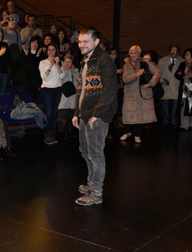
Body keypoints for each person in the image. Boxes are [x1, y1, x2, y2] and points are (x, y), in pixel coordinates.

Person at [72, 27, 118, 206]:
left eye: (85, 42)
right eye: (80, 41)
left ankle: (96, 193)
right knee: (85, 151)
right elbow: (80, 90)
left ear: (96, 42)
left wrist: (97, 114)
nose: (81, 45)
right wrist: (77, 112)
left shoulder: (104, 60)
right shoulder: (85, 60)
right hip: (84, 115)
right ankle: (91, 183)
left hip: (96, 117)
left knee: (96, 155)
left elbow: (111, 90)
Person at [120, 45, 160, 143]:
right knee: (128, 113)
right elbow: (125, 79)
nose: (134, 55)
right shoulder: (126, 65)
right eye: (132, 53)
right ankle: (127, 131)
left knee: (140, 114)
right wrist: (136, 75)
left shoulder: (145, 63)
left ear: (139, 53)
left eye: (136, 53)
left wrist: (150, 83)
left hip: (143, 92)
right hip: (130, 92)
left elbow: (157, 73)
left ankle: (137, 135)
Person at [39, 42, 64, 145]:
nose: (51, 51)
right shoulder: (43, 62)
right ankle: (46, 133)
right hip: (47, 90)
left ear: (56, 51)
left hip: (57, 89)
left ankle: (51, 133)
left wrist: (57, 64)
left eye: (53, 49)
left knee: (54, 113)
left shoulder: (59, 62)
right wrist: (51, 66)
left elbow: (62, 77)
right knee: (48, 112)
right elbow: (44, 77)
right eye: (49, 49)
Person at [158, 45, 184, 128]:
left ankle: (173, 121)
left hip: (176, 86)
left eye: (175, 51)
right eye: (171, 50)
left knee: (175, 107)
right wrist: (161, 80)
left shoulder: (182, 61)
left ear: (179, 53)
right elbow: (158, 72)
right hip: (165, 87)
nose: (173, 52)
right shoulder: (162, 61)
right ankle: (165, 122)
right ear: (169, 51)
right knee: (164, 106)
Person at [15, 34, 41, 99]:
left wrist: (37, 56)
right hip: (24, 79)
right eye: (33, 42)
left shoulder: (40, 54)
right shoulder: (25, 51)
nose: (34, 45)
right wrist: (26, 54)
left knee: (32, 98)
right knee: (22, 96)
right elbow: (20, 63)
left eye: (36, 43)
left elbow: (37, 66)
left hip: (34, 80)